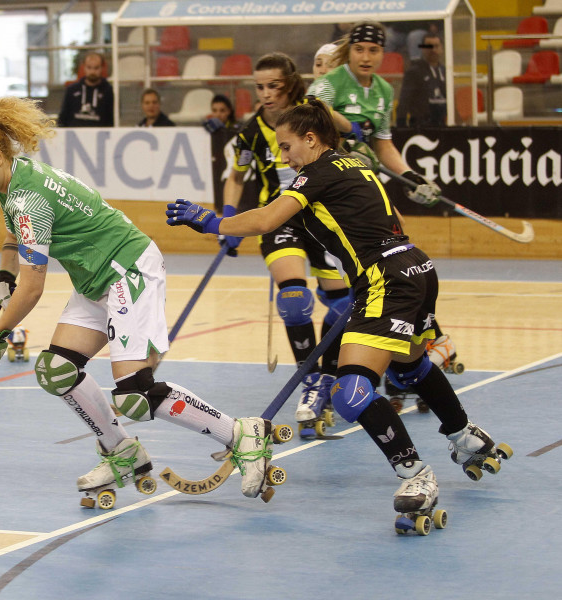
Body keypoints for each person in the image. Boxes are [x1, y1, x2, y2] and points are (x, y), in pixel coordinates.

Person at [166, 98, 509, 523]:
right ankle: (465, 435)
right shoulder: (355, 163)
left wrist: (211, 221)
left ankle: (416, 474)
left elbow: (267, 220)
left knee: (352, 393)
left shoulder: (317, 173)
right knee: (409, 367)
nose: (282, 157)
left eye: (288, 146)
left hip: (388, 279)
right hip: (416, 266)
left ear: (311, 140)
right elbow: (393, 218)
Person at [0, 96, 286, 503]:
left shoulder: (26, 197)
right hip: (95, 278)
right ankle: (121, 451)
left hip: (127, 270)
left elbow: (33, 288)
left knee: (135, 393)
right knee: (57, 369)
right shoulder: (14, 180)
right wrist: (4, 274)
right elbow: (12, 233)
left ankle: (242, 433)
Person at [307, 21, 460, 400]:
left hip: (365, 187)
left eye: (374, 51)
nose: (366, 57)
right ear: (351, 51)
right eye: (360, 49)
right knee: (372, 272)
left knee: (397, 253)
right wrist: (348, 126)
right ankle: (400, 358)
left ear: (382, 54)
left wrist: (413, 177)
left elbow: (385, 145)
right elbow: (314, 104)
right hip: (333, 191)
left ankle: (408, 357)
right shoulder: (334, 80)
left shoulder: (384, 90)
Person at [221, 52, 352, 435]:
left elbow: (351, 132)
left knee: (343, 306)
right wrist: (228, 216)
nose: (265, 93)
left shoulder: (311, 116)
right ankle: (309, 381)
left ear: (290, 82)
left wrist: (323, 105)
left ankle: (328, 376)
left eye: (274, 85)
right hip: (279, 220)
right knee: (294, 302)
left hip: (322, 219)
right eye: (259, 86)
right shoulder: (249, 132)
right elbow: (237, 175)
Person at [395, 32, 447, 128]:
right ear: (422, 48)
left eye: (436, 46)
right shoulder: (414, 72)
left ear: (442, 49)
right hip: (420, 128)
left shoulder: (445, 72)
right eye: (429, 46)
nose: (433, 50)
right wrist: (401, 128)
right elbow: (404, 102)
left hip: (443, 126)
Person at [57, 52, 114, 127]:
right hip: (73, 135)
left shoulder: (108, 91)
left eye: (96, 68)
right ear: (83, 67)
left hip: (100, 136)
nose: (92, 72)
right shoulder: (72, 90)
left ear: (102, 68)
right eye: (89, 67)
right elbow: (63, 117)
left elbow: (111, 119)